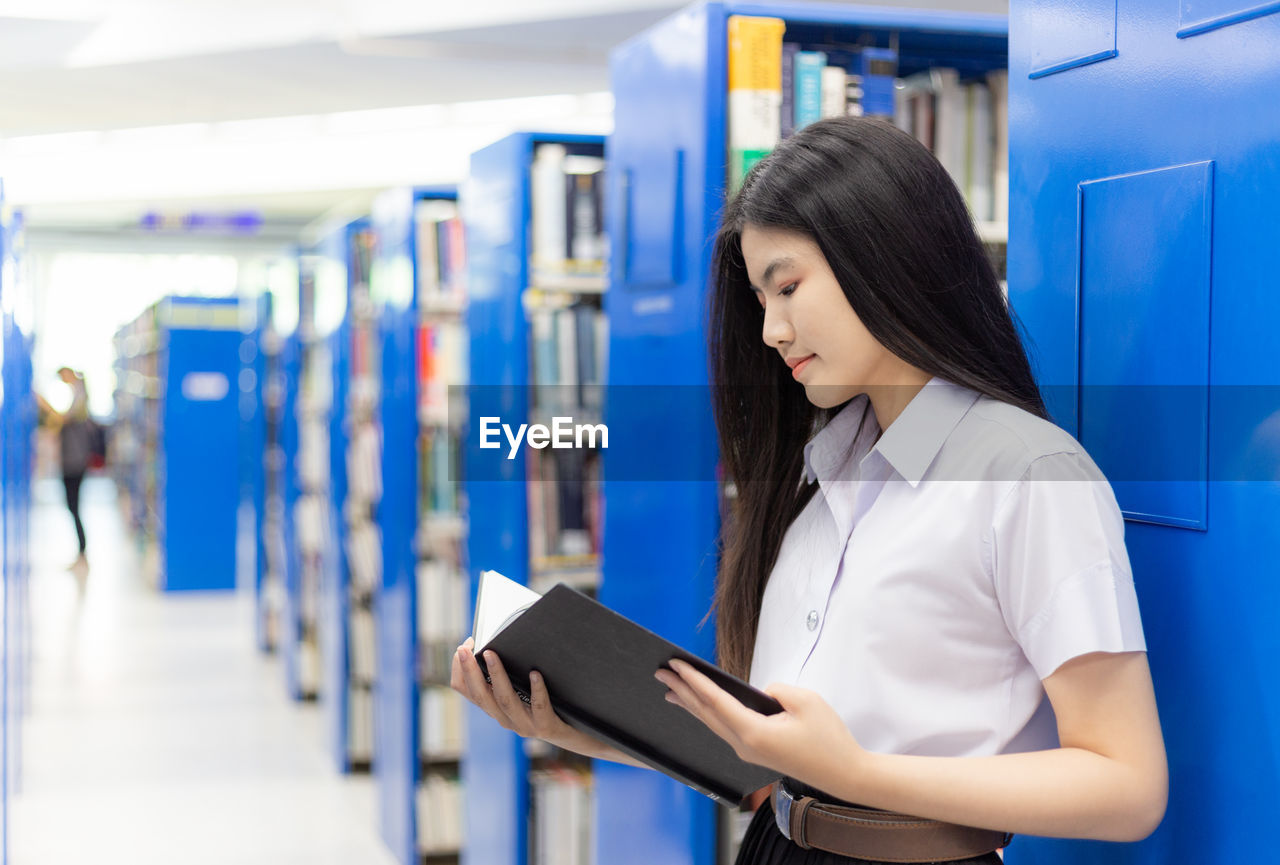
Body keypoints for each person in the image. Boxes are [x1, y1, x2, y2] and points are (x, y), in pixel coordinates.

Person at [451, 116, 1167, 863]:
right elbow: (771, 765)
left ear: (887, 256)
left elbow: (1127, 784)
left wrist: (855, 773)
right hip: (774, 844)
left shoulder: (1028, 475)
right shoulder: (822, 470)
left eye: (787, 286)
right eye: (761, 299)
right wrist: (583, 727)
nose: (771, 330)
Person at [38, 367, 94, 569]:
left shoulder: (80, 395)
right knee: (72, 505)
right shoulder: (77, 395)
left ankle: (82, 553)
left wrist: (44, 405)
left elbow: (64, 419)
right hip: (71, 458)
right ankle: (81, 552)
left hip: (75, 460)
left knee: (73, 505)